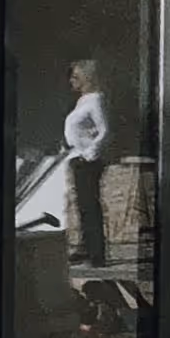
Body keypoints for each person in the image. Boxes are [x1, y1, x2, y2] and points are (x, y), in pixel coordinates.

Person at [62, 59, 110, 267]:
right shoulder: (82, 101)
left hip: (88, 160)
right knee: (83, 206)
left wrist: (90, 153)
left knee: (90, 205)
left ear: (86, 78)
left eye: (75, 77)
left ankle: (96, 254)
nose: (71, 81)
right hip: (76, 157)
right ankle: (87, 248)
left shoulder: (95, 100)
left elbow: (104, 130)